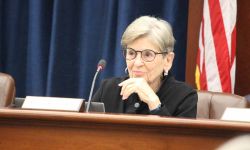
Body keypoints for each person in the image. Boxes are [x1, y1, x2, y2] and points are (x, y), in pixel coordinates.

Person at [92, 16, 197, 118]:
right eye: (131, 53)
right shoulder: (107, 89)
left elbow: (176, 136)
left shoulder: (184, 97)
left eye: (148, 54)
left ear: (168, 60)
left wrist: (154, 103)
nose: (137, 63)